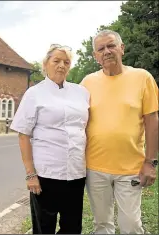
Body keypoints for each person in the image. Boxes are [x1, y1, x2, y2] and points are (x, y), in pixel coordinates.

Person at [80, 29, 158, 234]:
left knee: (131, 225)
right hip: (95, 167)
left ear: (121, 48)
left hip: (131, 167)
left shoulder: (142, 77)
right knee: (102, 225)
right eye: (101, 49)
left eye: (111, 45)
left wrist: (150, 162)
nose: (107, 51)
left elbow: (152, 120)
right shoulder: (87, 83)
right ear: (95, 56)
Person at [10, 44, 90, 234]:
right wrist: (31, 174)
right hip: (46, 175)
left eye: (66, 62)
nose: (61, 65)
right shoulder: (34, 94)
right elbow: (23, 135)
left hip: (76, 174)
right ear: (45, 64)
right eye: (56, 61)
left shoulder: (81, 93)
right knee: (44, 228)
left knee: (72, 228)